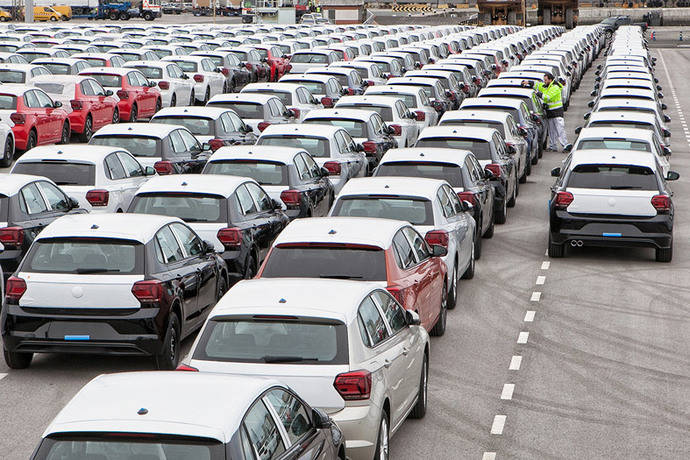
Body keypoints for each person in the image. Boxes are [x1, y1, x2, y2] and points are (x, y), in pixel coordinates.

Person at [522, 73, 571, 153]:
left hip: (557, 112)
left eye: (545, 80)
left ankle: (565, 145)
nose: (544, 81)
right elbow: (537, 85)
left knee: (560, 129)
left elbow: (547, 97)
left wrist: (538, 93)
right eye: (544, 80)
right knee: (551, 131)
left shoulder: (555, 87)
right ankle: (553, 146)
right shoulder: (546, 86)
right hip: (550, 112)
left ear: (550, 80)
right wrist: (528, 82)